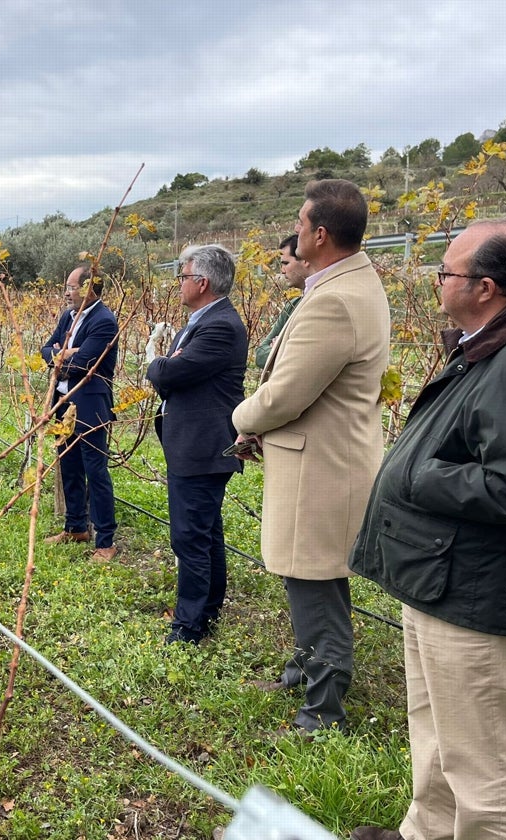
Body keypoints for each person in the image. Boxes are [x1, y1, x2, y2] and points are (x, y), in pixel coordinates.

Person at [349, 220, 506, 840]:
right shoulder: (491, 343)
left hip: (477, 586)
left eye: (446, 273)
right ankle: (425, 832)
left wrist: (420, 478)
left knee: (483, 755)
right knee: (438, 731)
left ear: (485, 288)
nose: (437, 282)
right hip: (442, 576)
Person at [232, 179, 390, 732]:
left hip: (322, 468)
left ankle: (323, 710)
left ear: (320, 234)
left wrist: (240, 418)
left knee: (315, 580)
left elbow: (284, 396)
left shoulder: (335, 302)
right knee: (312, 578)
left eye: (300, 224)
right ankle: (304, 670)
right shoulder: (348, 285)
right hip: (326, 459)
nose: (294, 233)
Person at [145, 244, 248, 644]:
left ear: (202, 282)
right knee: (204, 533)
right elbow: (174, 367)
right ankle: (206, 611)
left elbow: (170, 371)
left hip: (202, 448)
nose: (180, 285)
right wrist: (168, 364)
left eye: (183, 277)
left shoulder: (219, 325)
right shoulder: (202, 320)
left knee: (189, 538)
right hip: (194, 445)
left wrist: (160, 364)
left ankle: (189, 627)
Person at [40, 264, 120, 561]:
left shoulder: (104, 321)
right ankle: (76, 527)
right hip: (62, 404)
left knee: (95, 471)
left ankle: (106, 541)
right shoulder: (68, 316)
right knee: (69, 466)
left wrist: (65, 357)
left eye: (72, 286)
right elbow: (46, 349)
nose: (67, 292)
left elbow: (85, 364)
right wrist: (61, 355)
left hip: (88, 405)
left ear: (89, 289)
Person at [253, 234, 310, 370]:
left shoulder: (323, 303)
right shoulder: (293, 304)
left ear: (305, 260)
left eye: (286, 263)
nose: (282, 270)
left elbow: (305, 358)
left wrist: (279, 345)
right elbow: (260, 355)